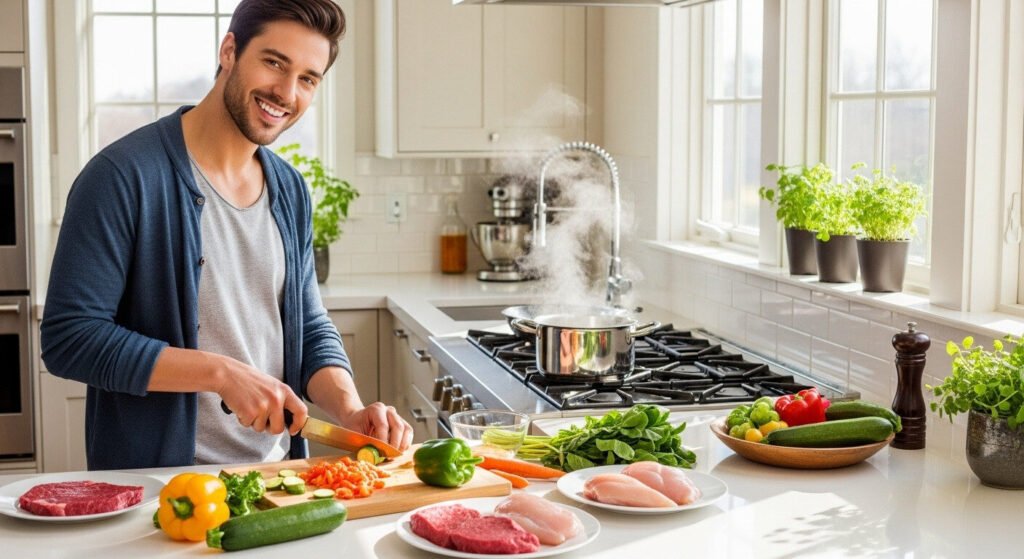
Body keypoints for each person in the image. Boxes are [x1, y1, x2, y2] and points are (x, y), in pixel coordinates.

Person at [40, 0, 413, 470]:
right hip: (164, 487)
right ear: (230, 50)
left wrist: (351, 409)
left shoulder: (290, 189)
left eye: (308, 79)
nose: (286, 92)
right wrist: (220, 373)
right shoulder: (122, 177)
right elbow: (70, 339)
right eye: (274, 62)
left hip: (275, 473)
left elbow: (308, 326)